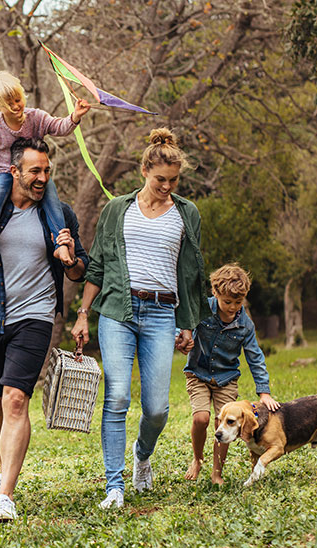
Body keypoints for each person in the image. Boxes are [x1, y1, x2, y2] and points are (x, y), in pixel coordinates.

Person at [0, 137, 89, 522]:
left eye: (47, 170)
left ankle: (6, 495)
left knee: (15, 399)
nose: (42, 177)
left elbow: (81, 269)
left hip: (37, 316)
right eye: (35, 171)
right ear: (14, 171)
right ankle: (4, 472)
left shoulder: (58, 214)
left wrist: (71, 256)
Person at [71, 127, 211, 508]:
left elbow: (192, 272)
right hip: (118, 310)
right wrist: (83, 314)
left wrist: (189, 322)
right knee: (116, 396)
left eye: (174, 180)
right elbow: (97, 266)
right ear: (144, 172)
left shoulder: (187, 214)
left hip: (163, 313)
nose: (167, 186)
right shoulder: (117, 209)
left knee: (156, 409)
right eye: (160, 179)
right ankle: (113, 486)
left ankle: (142, 454)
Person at [0, 71, 90, 267]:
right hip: (4, 171)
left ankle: (60, 242)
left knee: (52, 197)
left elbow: (58, 127)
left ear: (22, 95)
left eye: (17, 99)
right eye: (8, 104)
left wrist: (75, 116)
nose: (15, 106)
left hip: (34, 172)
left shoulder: (36, 117)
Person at [183, 263, 279, 484]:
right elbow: (184, 329)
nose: (233, 307)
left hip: (226, 379)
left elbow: (255, 357)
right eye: (227, 302)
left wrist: (263, 392)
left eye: (238, 302)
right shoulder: (202, 310)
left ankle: (217, 472)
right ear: (215, 293)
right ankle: (197, 459)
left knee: (223, 424)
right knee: (201, 418)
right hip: (198, 374)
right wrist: (183, 341)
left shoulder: (245, 324)